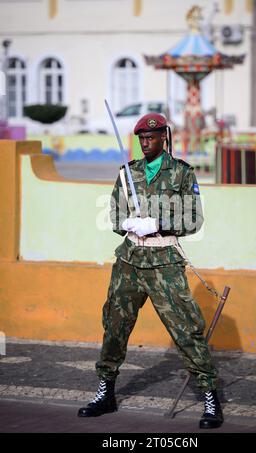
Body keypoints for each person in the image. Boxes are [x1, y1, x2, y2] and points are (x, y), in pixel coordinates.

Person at [78, 113, 223, 429]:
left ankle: (211, 396)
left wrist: (158, 224)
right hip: (129, 262)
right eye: (141, 138)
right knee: (115, 325)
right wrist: (126, 224)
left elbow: (194, 220)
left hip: (164, 264)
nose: (145, 143)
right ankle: (106, 392)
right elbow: (115, 213)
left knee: (185, 329)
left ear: (164, 138)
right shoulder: (128, 172)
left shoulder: (182, 174)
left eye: (151, 138)